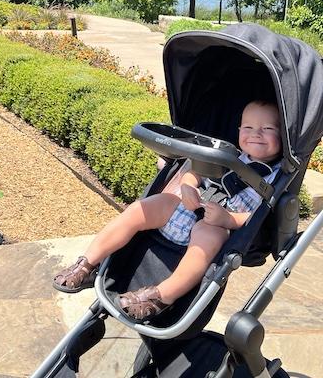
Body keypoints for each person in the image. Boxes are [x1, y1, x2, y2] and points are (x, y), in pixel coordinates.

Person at [53, 101, 282, 321]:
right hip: (189, 205)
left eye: (267, 129)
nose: (256, 134)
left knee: (209, 234)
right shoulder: (228, 155)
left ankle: (162, 296)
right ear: (239, 129)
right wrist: (188, 186)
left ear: (283, 135)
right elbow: (195, 172)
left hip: (218, 224)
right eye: (249, 127)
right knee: (142, 208)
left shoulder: (276, 176)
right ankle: (87, 263)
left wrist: (229, 219)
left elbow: (259, 218)